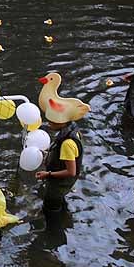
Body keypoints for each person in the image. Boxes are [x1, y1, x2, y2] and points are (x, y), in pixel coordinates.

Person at [34, 87, 89, 216]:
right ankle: (64, 216)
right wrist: (49, 154)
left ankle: (54, 230)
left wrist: (47, 174)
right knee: (60, 204)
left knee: (51, 212)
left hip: (59, 185)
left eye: (51, 122)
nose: (48, 124)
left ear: (60, 122)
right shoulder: (73, 130)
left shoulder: (67, 143)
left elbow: (71, 171)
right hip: (65, 185)